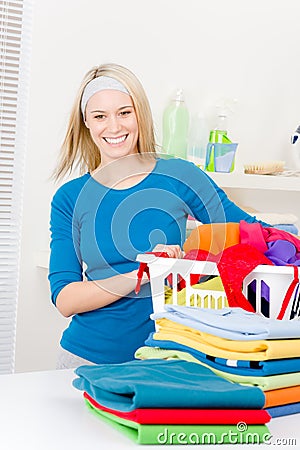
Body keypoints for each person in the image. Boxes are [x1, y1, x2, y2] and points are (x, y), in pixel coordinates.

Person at [49, 63, 267, 369]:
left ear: (140, 114)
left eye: (124, 112)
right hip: (86, 360)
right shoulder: (70, 198)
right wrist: (144, 273)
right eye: (100, 116)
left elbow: (250, 231)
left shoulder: (179, 175)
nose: (114, 127)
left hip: (166, 360)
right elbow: (65, 298)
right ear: (86, 122)